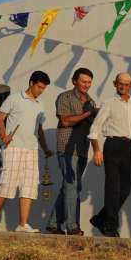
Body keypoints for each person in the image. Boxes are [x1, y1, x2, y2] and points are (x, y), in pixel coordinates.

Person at [0, 71, 52, 232]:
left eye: (44, 88)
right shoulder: (14, 98)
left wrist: (45, 148)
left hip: (32, 149)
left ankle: (23, 224)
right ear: (31, 83)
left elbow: (39, 129)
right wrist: (4, 136)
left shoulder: (40, 104)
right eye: (39, 87)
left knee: (29, 186)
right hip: (13, 146)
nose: (41, 91)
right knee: (7, 183)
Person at [88, 72, 131, 238]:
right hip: (113, 146)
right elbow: (95, 127)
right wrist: (97, 150)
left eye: (126, 84)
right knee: (113, 188)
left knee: (125, 190)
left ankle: (101, 218)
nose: (123, 86)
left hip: (129, 148)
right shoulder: (108, 103)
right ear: (115, 84)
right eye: (120, 83)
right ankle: (110, 227)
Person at [49, 68, 98, 235]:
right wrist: (87, 114)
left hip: (83, 147)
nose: (86, 85)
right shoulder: (65, 97)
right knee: (71, 185)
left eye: (89, 82)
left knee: (71, 186)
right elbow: (65, 121)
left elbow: (94, 127)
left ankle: (53, 223)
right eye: (83, 81)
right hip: (67, 147)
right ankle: (72, 226)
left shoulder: (91, 101)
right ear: (74, 81)